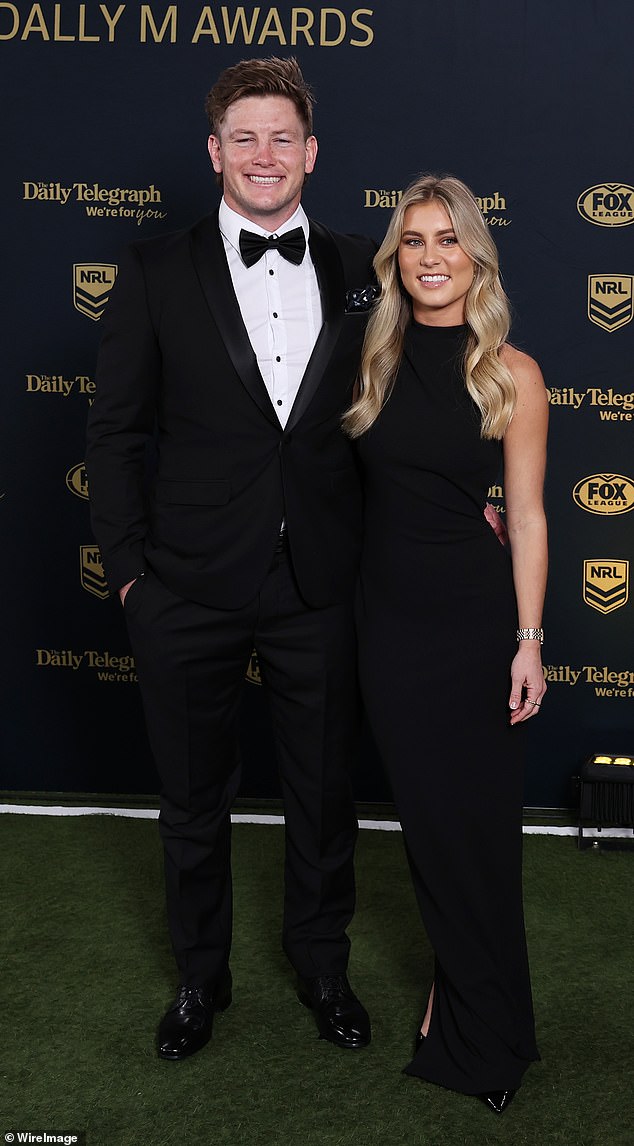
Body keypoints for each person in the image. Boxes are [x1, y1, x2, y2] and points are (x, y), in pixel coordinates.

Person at [85, 56, 377, 1060]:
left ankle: (322, 967)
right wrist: (130, 573)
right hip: (187, 587)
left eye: (281, 136)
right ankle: (199, 981)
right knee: (192, 802)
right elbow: (116, 434)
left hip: (320, 585)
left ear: (310, 152)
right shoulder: (155, 270)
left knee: (323, 793)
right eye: (243, 137)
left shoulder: (361, 267)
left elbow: (393, 421)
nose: (264, 154)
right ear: (215, 152)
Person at [344, 175, 548, 1114]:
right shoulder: (371, 360)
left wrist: (529, 639)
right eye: (414, 241)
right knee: (430, 832)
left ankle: (484, 1025)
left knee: (479, 835)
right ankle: (457, 997)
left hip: (472, 624)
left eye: (448, 241)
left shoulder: (511, 370)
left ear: (477, 256)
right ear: (398, 257)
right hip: (389, 625)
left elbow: (532, 516)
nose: (431, 258)